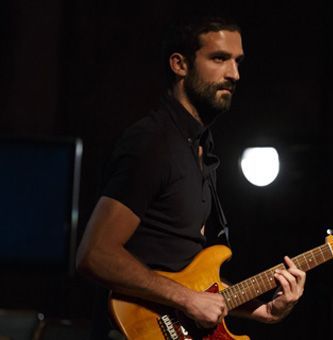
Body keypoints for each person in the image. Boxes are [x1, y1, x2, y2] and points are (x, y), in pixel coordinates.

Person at [76, 16, 306, 338]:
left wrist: (263, 311)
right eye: (219, 59)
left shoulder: (201, 150)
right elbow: (94, 254)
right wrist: (186, 298)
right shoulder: (152, 143)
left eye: (238, 62)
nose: (234, 74)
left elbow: (192, 279)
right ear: (179, 64)